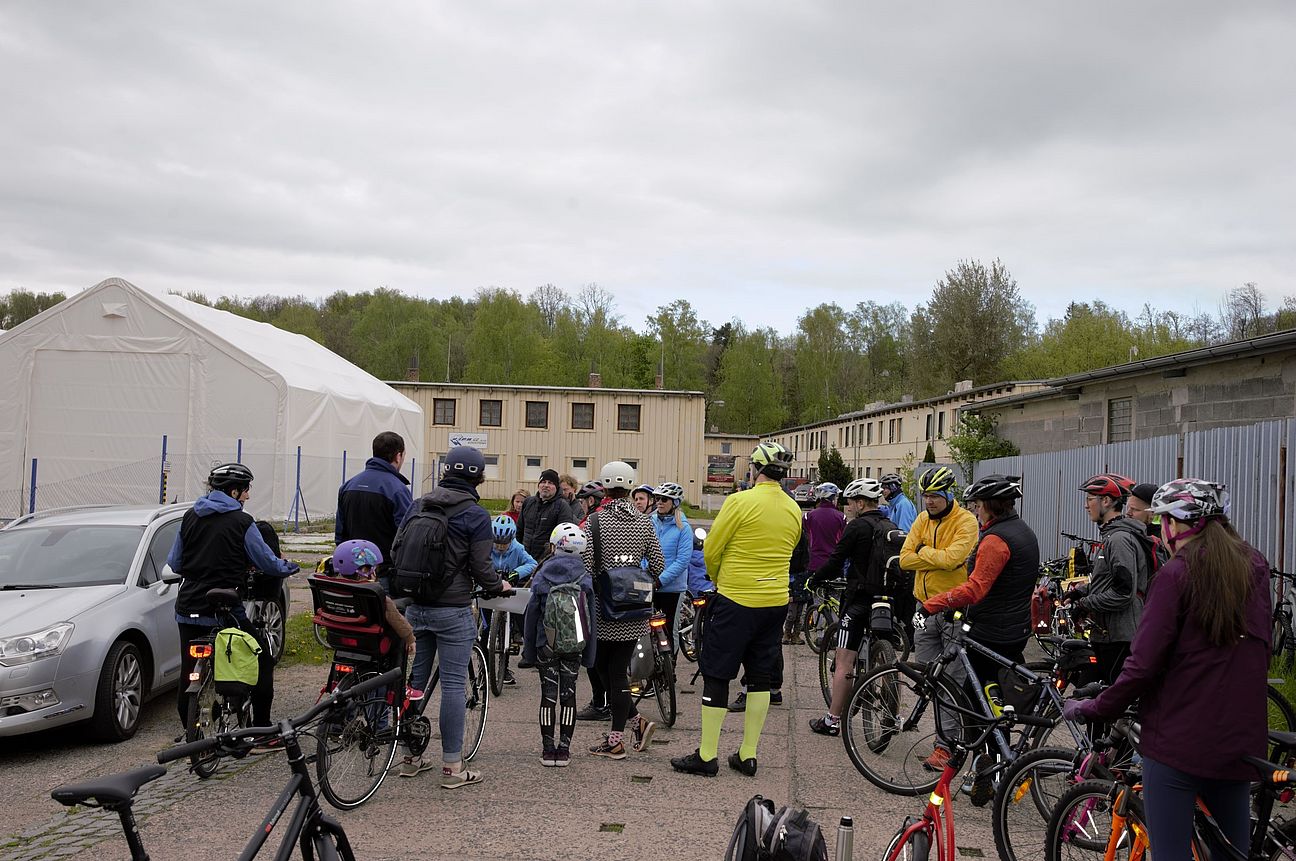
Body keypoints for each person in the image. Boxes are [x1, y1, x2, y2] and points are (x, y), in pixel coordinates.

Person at [1063, 480, 1271, 861]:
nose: (1161, 532)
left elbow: (1141, 667)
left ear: (1178, 525)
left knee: (1170, 853)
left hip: (1180, 741)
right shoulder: (1255, 567)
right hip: (1240, 739)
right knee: (1231, 853)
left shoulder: (1176, 576)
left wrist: (1095, 707)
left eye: (1163, 523)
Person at [671, 442, 800, 778]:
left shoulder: (739, 501)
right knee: (759, 677)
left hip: (737, 599)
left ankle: (707, 755)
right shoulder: (793, 509)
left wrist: (716, 575)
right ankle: (748, 754)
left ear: (754, 469)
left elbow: (713, 548)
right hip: (775, 602)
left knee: (717, 674)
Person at [398, 446, 512, 787]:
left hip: (416, 605)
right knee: (451, 686)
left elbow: (396, 547)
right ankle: (452, 767)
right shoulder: (475, 514)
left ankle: (409, 757)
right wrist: (498, 585)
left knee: (415, 683)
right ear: (478, 476)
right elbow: (481, 566)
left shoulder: (420, 503)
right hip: (452, 607)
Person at [916, 475, 1039, 778]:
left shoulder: (996, 540)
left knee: (978, 703)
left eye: (978, 505)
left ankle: (989, 770)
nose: (975, 510)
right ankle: (994, 765)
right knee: (994, 699)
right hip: (1015, 627)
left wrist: (933, 604)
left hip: (992, 630)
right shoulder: (1023, 530)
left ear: (990, 506)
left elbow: (975, 588)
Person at [168, 463, 299, 740]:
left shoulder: (190, 517)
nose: (248, 497)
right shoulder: (243, 522)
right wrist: (288, 566)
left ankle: (189, 731)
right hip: (225, 608)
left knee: (188, 672)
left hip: (188, 606)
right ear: (234, 491)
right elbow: (267, 562)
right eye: (246, 490)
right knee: (261, 658)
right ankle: (262, 731)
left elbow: (175, 562)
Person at [581, 460, 665, 759]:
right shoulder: (645, 522)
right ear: (631, 487)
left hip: (604, 609)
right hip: (634, 610)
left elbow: (587, 566)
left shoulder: (594, 522)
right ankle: (636, 722)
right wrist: (632, 574)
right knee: (611, 670)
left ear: (603, 487)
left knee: (607, 670)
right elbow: (658, 566)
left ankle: (616, 742)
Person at [898, 466, 979, 765]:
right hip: (922, 609)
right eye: (925, 495)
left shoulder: (966, 522)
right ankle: (943, 742)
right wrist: (934, 556)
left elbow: (954, 559)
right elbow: (905, 560)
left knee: (950, 681)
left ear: (948, 494)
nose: (928, 502)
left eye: (934, 496)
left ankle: (947, 748)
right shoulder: (921, 519)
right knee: (929, 679)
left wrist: (924, 552)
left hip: (951, 612)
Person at [807, 478, 900, 736]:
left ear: (860, 503)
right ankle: (889, 700)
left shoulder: (857, 527)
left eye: (849, 503)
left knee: (843, 660)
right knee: (881, 652)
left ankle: (832, 720)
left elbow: (836, 561)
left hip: (859, 600)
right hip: (886, 600)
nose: (847, 507)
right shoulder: (889, 525)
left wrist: (815, 579)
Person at [523, 522, 596, 767]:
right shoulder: (585, 577)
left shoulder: (543, 575)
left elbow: (531, 615)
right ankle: (564, 750)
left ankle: (547, 750)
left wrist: (529, 651)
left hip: (547, 644)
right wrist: (589, 654)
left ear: (555, 546)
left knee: (548, 695)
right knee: (569, 695)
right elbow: (591, 619)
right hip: (574, 646)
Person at [1069, 473, 1149, 684]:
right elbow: (1110, 581)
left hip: (1119, 636)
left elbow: (1124, 592)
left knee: (1109, 701)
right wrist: (1081, 591)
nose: (1086, 505)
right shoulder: (1111, 536)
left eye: (1089, 499)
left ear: (1106, 501)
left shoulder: (1120, 539)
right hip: (1108, 633)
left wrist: (1085, 604)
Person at [335, 431, 413, 593]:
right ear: (398, 456)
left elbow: (340, 534)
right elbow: (406, 536)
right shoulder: (398, 490)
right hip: (383, 572)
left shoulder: (348, 485)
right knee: (385, 615)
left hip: (353, 571)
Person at [326, 539, 416, 659]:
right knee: (397, 636)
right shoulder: (374, 595)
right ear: (365, 570)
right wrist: (410, 639)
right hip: (371, 643)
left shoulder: (332, 589)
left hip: (338, 639)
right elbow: (396, 619)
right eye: (375, 568)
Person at [489, 514, 538, 685]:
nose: (500, 547)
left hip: (510, 588)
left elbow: (532, 564)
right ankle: (484, 668)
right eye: (497, 543)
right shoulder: (486, 546)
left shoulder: (517, 548)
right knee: (485, 629)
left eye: (504, 544)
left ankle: (506, 667)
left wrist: (517, 572)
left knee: (516, 620)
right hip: (490, 588)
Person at [650, 482, 692, 652]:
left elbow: (682, 561)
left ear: (674, 503)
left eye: (664, 499)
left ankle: (671, 667)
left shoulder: (683, 528)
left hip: (672, 588)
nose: (659, 502)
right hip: (649, 584)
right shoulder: (650, 522)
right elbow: (643, 551)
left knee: (669, 629)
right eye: (657, 498)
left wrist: (660, 581)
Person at [517, 469, 577, 562]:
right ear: (538, 485)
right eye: (543, 482)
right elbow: (519, 531)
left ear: (556, 487)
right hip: (525, 560)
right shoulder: (528, 503)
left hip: (547, 562)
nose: (546, 485)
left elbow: (564, 538)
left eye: (550, 483)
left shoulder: (562, 506)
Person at [804, 482, 846, 577]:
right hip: (834, 564)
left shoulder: (809, 516)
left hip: (814, 562)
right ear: (833, 498)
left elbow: (806, 535)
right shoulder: (841, 517)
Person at [784, 529, 811, 645]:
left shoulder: (803, 539)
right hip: (794, 579)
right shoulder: (802, 539)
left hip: (800, 578)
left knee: (799, 613)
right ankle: (787, 633)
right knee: (792, 613)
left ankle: (796, 634)